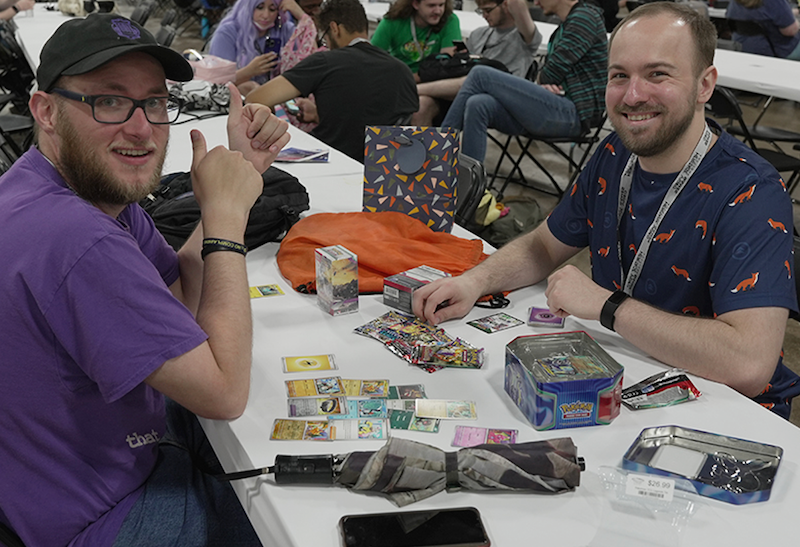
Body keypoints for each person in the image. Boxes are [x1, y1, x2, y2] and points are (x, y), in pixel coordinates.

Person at [414, 1, 800, 419]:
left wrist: (608, 306)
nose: (633, 96)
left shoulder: (751, 191)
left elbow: (748, 363)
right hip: (619, 373)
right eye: (619, 76)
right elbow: (544, 246)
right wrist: (476, 281)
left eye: (658, 74)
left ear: (705, 85)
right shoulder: (615, 154)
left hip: (723, 410)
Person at [0, 13, 290, 546]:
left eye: (154, 103)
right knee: (291, 513)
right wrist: (227, 224)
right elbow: (223, 393)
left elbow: (177, 300)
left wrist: (240, 175)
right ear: (45, 110)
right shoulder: (75, 237)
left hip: (50, 483)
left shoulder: (72, 186)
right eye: (108, 101)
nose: (140, 129)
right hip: (102, 518)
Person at [246, 0, 418, 162]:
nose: (326, 44)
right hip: (383, 172)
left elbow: (256, 99)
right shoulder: (402, 70)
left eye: (324, 38)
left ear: (334, 28)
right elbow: (373, 120)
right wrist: (318, 114)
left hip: (332, 164)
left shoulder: (324, 62)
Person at [441, 0, 607, 162]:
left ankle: (437, 156)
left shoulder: (584, 17)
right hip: (559, 105)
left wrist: (545, 79)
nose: (535, 3)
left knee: (480, 74)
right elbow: (549, 72)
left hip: (575, 113)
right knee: (478, 103)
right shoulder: (569, 22)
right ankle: (472, 182)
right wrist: (545, 79)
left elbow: (551, 72)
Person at [412, 0, 542, 125]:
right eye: (481, 11)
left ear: (505, 5)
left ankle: (411, 89)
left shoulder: (525, 37)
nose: (484, 15)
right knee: (421, 106)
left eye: (488, 10)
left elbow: (518, 4)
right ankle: (426, 148)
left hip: (501, 98)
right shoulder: (478, 34)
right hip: (461, 93)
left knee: (476, 78)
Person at [209, 0, 297, 94]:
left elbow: (311, 58)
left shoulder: (284, 30)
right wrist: (249, 71)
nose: (266, 15)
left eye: (272, 9)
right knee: (249, 87)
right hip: (236, 98)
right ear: (247, 6)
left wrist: (299, 13)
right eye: (259, 7)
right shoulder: (227, 32)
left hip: (278, 95)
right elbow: (216, 82)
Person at [370, 0, 462, 78]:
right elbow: (372, 59)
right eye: (431, 6)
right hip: (400, 79)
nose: (438, 11)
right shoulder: (392, 21)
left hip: (432, 82)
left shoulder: (450, 20)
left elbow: (446, 65)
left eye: (441, 5)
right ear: (416, 4)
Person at [727, 0, 800, 60]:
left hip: (743, 48)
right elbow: (791, 30)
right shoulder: (775, 2)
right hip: (777, 51)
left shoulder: (734, 2)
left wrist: (790, 12)